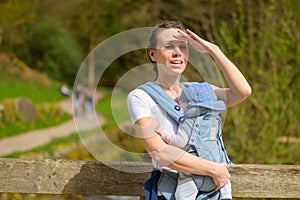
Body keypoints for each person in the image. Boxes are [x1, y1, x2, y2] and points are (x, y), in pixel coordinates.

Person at [127, 21, 251, 200]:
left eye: (183, 47)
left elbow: (242, 92)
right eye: (169, 46)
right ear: (152, 54)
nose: (178, 52)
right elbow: (160, 152)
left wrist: (213, 50)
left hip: (212, 192)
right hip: (171, 193)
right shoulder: (140, 97)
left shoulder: (201, 92)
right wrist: (213, 169)